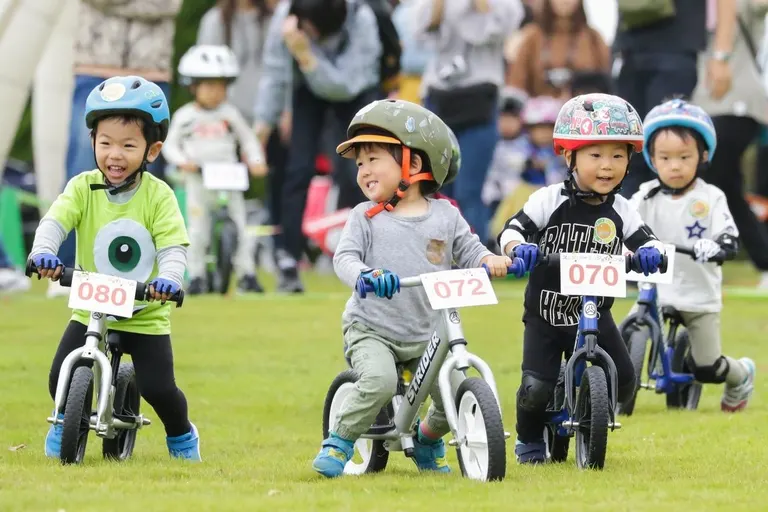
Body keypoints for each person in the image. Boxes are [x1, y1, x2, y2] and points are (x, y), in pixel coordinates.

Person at [311, 99, 513, 478]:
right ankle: (339, 440)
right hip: (373, 328)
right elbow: (345, 259)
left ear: (413, 165)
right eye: (359, 164)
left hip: (427, 329)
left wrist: (489, 260)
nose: (364, 170)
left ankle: (426, 436)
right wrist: (365, 276)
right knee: (381, 381)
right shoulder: (363, 217)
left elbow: (469, 249)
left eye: (374, 160)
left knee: (452, 388)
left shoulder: (446, 215)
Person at [27, 76, 201, 462]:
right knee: (61, 375)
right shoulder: (82, 187)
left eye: (128, 145)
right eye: (105, 143)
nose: (114, 155)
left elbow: (173, 245)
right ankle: (64, 420)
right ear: (92, 141)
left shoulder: (159, 196)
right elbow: (55, 222)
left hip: (143, 312)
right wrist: (44, 253)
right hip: (93, 306)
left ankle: (182, 436)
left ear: (152, 150)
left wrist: (168, 280)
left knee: (158, 387)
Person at [496, 93, 666, 464]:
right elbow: (512, 230)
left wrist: (651, 254)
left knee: (623, 378)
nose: (607, 166)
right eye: (595, 156)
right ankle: (528, 438)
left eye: (618, 156)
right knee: (536, 388)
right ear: (569, 156)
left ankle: (589, 410)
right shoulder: (548, 199)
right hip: (545, 313)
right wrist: (518, 248)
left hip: (593, 312)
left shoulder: (622, 209)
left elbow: (646, 240)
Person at [627, 98, 756, 412]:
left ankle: (741, 374)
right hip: (654, 289)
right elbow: (621, 220)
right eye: (665, 157)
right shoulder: (645, 195)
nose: (675, 166)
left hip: (699, 295)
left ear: (703, 156)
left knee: (706, 368)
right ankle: (614, 389)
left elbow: (728, 234)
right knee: (624, 332)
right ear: (652, 159)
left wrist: (716, 245)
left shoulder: (710, 197)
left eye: (684, 157)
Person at [253, 0, 383, 293]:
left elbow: (344, 85)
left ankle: (370, 256)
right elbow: (274, 74)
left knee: (360, 173)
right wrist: (262, 127)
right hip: (307, 88)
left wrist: (305, 54)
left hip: (354, 89)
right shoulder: (287, 18)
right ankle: (288, 258)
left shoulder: (361, 20)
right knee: (297, 170)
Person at [162, 45, 267, 295]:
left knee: (241, 225)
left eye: (220, 86)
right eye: (208, 86)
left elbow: (249, 139)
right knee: (197, 229)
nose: (215, 92)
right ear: (193, 86)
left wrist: (255, 160)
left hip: (228, 177)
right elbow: (170, 144)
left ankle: (246, 274)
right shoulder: (185, 116)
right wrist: (182, 160)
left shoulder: (230, 115)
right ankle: (196, 275)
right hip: (198, 178)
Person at [613, 0, 737, 198]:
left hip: (675, 49)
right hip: (630, 48)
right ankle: (627, 223)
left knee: (668, 148)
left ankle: (663, 222)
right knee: (628, 150)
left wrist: (721, 55)